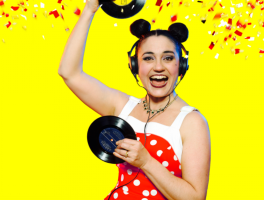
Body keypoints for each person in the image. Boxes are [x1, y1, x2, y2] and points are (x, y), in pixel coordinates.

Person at [58, 0, 211, 199]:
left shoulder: (192, 122)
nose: (158, 67)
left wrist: (146, 162)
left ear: (180, 66)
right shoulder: (123, 106)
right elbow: (69, 73)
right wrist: (89, 10)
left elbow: (195, 198)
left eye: (167, 58)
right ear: (134, 66)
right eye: (148, 58)